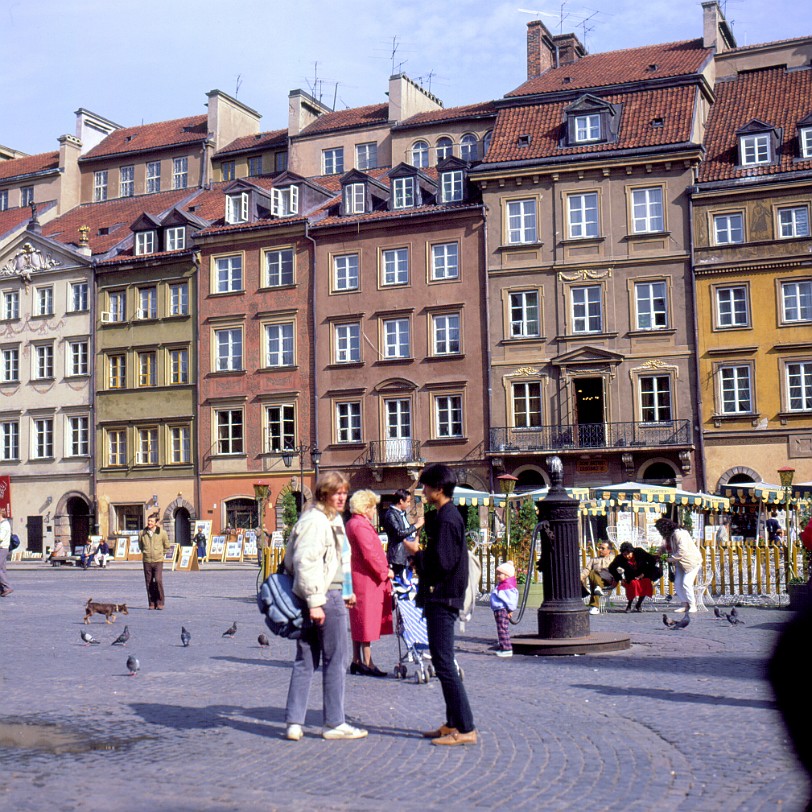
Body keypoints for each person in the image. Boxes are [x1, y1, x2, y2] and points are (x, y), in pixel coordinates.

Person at [284, 472, 367, 741]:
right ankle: (333, 722)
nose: (342, 497)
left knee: (306, 659)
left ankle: (295, 723)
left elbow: (336, 562)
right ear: (324, 494)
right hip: (322, 599)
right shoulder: (316, 521)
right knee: (335, 660)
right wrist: (315, 602)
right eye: (336, 492)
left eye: (344, 492)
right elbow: (305, 562)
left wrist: (347, 590)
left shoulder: (332, 520)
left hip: (328, 595)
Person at [415, 463, 477, 746]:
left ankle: (466, 727)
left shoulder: (448, 518)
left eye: (426, 486)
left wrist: (417, 554)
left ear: (438, 489)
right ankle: (453, 722)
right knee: (443, 661)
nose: (423, 490)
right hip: (442, 595)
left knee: (443, 662)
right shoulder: (445, 515)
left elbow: (443, 562)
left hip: (443, 595)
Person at [346, 489, 394, 677]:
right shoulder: (360, 526)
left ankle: (356, 660)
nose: (375, 511)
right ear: (365, 508)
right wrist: (385, 572)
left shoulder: (353, 523)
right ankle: (367, 662)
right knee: (365, 621)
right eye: (373, 507)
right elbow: (369, 554)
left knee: (359, 621)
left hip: (360, 578)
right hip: (367, 579)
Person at [655, 517, 702, 614]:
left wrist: (671, 559)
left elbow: (682, 551)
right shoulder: (670, 535)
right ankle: (685, 605)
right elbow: (665, 545)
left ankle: (693, 605)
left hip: (691, 561)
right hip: (680, 563)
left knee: (686, 583)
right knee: (677, 583)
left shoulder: (679, 533)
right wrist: (660, 551)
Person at [383, 488, 424, 577]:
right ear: (401, 501)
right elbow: (399, 533)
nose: (409, 504)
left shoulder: (401, 514)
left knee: (406, 581)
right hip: (398, 556)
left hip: (406, 555)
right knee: (400, 584)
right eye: (408, 502)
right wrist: (416, 525)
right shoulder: (391, 514)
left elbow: (406, 530)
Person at [608, 541, 658, 612]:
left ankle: (639, 604)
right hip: (630, 577)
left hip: (643, 574)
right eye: (624, 554)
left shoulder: (639, 552)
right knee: (633, 584)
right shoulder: (620, 558)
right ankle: (629, 605)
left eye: (628, 554)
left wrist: (643, 573)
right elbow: (611, 568)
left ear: (632, 551)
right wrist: (620, 579)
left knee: (646, 583)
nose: (627, 556)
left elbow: (652, 561)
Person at [138, 514, 171, 609]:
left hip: (158, 561)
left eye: (151, 521)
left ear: (156, 523)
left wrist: (160, 553)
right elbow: (140, 546)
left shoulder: (162, 533)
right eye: (148, 521)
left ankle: (160, 602)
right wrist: (145, 552)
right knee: (149, 582)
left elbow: (167, 545)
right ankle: (151, 603)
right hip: (147, 560)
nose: (149, 523)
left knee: (158, 580)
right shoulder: (142, 533)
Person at [490, 560, 519, 657]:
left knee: (502, 629)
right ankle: (503, 645)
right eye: (497, 574)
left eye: (500, 574)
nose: (498, 576)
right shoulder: (503, 585)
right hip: (499, 609)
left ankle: (506, 648)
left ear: (507, 575)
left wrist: (510, 609)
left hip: (502, 609)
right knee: (501, 628)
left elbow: (511, 600)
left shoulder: (506, 586)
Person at [581, 540, 617, 615]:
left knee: (596, 576)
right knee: (593, 573)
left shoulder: (614, 559)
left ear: (609, 550)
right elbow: (587, 570)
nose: (600, 550)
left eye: (603, 548)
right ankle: (597, 589)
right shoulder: (594, 560)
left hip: (608, 580)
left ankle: (594, 606)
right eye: (599, 548)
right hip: (597, 580)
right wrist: (581, 577)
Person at [0, 507, 13, 597]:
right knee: (2, 569)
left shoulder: (5, 524)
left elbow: (0, 537)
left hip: (2, 548)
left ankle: (7, 587)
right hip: (2, 548)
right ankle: (2, 589)